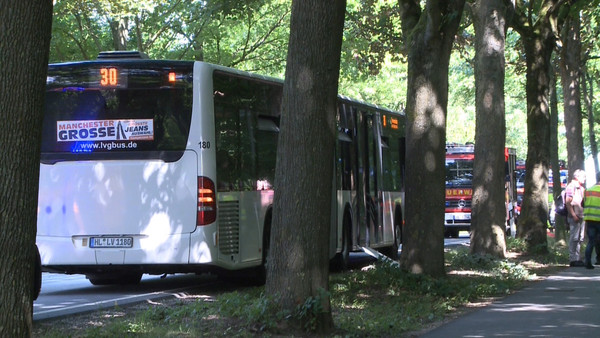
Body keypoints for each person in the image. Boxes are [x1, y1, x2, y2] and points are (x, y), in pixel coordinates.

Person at [565, 169, 586, 267]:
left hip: (581, 216)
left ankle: (578, 258)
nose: (585, 179)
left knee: (580, 238)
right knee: (574, 238)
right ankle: (572, 259)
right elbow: (568, 202)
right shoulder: (571, 186)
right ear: (577, 177)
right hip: (575, 216)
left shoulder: (581, 188)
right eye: (583, 177)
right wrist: (573, 215)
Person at [583, 171, 600, 269]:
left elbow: (583, 204)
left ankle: (587, 262)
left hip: (589, 219)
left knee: (591, 241)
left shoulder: (588, 190)